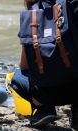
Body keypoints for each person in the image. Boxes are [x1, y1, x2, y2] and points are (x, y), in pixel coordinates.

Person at [10, 0, 78, 129]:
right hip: (75, 87)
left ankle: (43, 108)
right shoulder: (71, 6)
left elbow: (24, 66)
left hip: (48, 92)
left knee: (17, 77)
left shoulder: (31, 15)